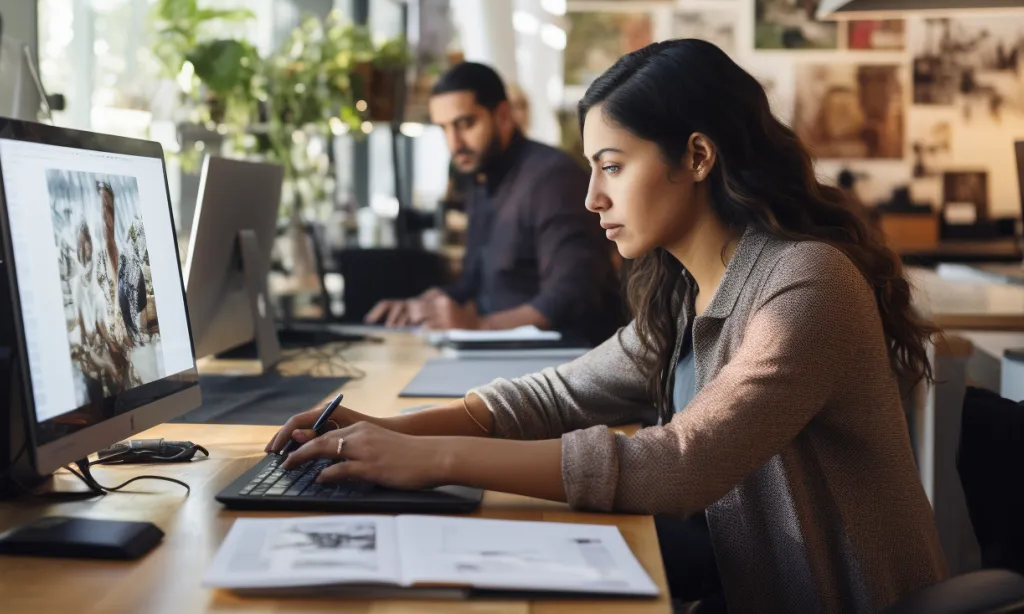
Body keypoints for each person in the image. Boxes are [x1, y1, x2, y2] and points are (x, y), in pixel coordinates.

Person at [276, 41, 946, 612]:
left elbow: (680, 465)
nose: (592, 197)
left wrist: (431, 461)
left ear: (698, 156)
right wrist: (378, 432)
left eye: (612, 167)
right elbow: (553, 397)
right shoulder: (686, 291)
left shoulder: (805, 283)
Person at [366, 61, 622, 346]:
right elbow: (476, 284)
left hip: (564, 361)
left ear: (502, 116)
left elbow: (571, 295)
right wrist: (420, 306)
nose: (454, 142)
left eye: (465, 124)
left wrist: (480, 326)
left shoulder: (552, 177)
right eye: (444, 128)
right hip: (503, 356)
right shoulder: (481, 178)